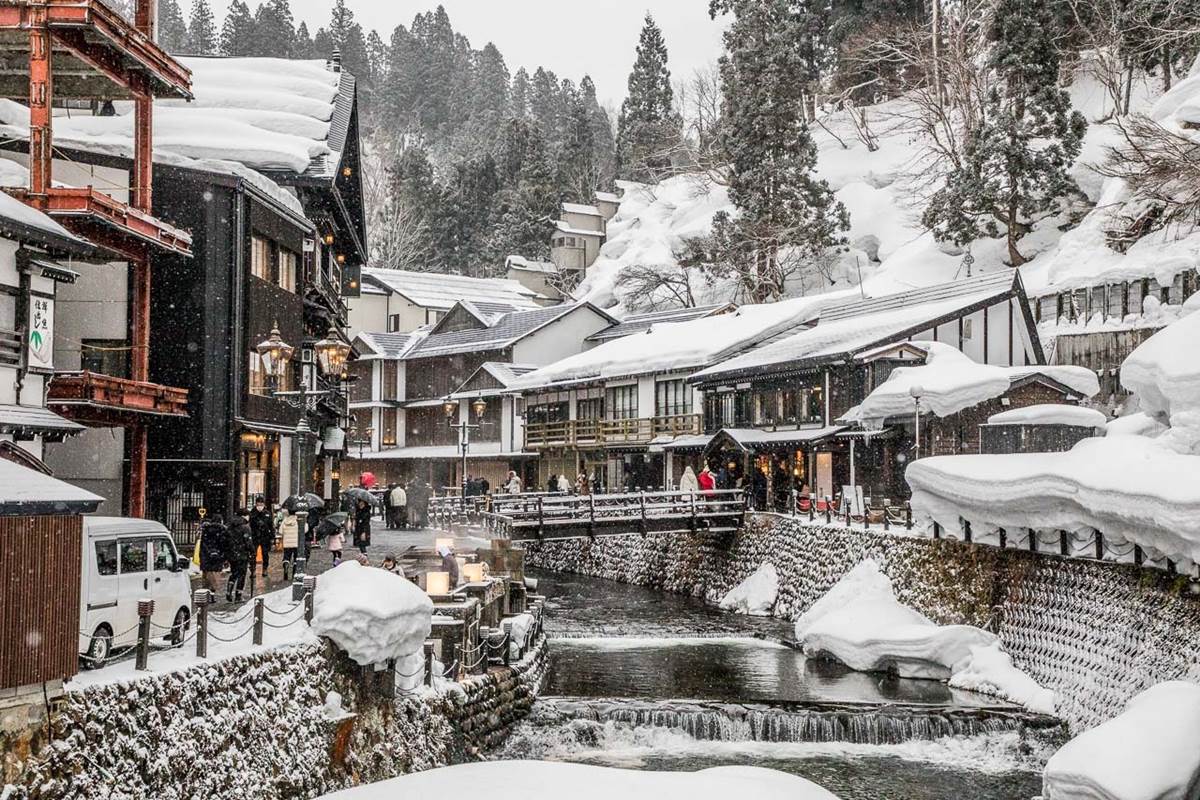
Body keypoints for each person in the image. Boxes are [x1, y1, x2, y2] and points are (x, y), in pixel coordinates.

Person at [224, 509, 254, 602]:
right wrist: (252, 551)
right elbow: (248, 542)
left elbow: (226, 540)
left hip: (232, 553)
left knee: (234, 573)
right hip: (242, 553)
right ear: (244, 516)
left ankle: (229, 590)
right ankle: (238, 595)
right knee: (241, 574)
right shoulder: (245, 527)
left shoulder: (230, 526)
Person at [198, 513, 227, 594]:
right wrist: (223, 556)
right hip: (217, 557)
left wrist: (205, 554)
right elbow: (224, 544)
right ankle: (212, 592)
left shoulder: (206, 530)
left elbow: (203, 544)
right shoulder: (222, 530)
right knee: (215, 576)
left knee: (206, 575)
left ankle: (205, 592)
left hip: (206, 557)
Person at [248, 496, 275, 578]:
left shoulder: (267, 513)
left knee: (265, 554)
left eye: (261, 504)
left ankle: (265, 569)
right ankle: (253, 570)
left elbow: (271, 525)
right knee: (253, 554)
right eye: (258, 504)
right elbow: (250, 524)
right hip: (255, 536)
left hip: (265, 536)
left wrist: (272, 536)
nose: (260, 506)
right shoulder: (252, 513)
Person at [279, 508, 301, 580]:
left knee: (286, 557)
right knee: (296, 558)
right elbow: (305, 529)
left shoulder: (285, 521)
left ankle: (286, 565)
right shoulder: (298, 520)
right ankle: (294, 573)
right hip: (296, 543)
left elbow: (280, 531)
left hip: (287, 543)